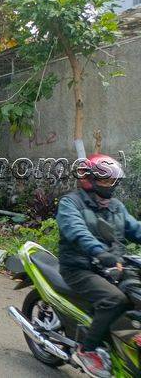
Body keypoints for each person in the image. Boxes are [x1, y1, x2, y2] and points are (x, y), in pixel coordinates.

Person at [57, 154, 141, 378]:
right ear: (90, 180)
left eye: (113, 181)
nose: (110, 186)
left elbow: (135, 229)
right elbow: (77, 232)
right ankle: (87, 350)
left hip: (112, 267)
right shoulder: (70, 203)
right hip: (79, 268)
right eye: (105, 181)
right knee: (115, 299)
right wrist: (101, 253)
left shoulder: (116, 207)